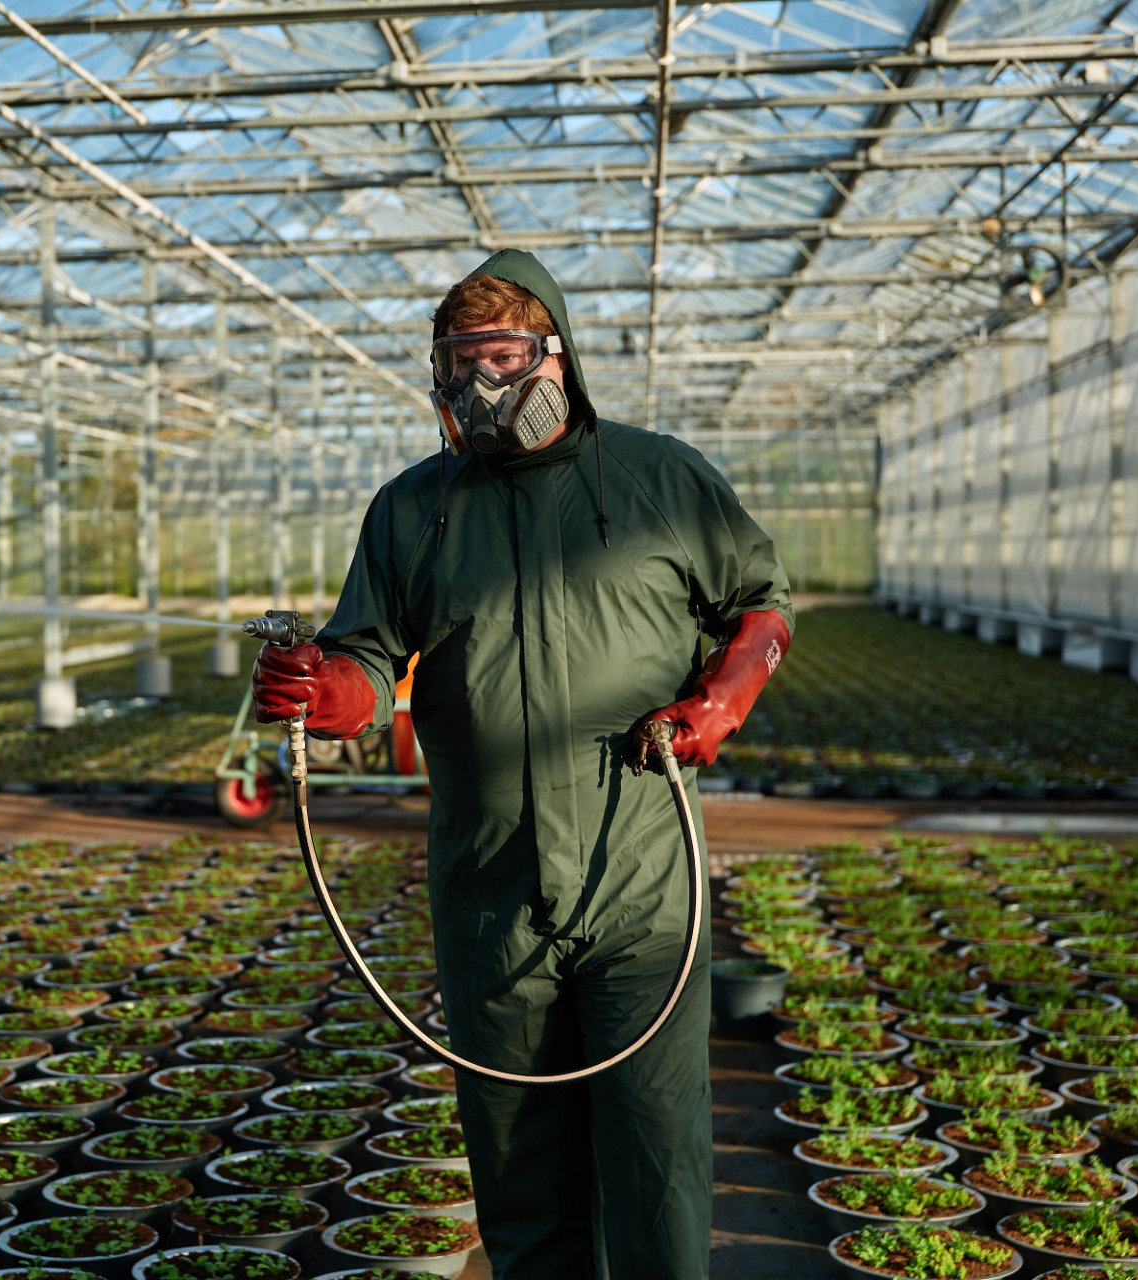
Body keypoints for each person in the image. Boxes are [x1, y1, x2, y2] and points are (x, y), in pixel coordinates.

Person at [250, 248, 793, 1280]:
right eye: (458, 365)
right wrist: (331, 696)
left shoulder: (657, 477)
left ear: (557, 358)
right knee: (516, 1164)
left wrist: (722, 700)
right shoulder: (414, 508)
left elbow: (762, 605)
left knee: (656, 1154)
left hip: (640, 880)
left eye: (499, 357)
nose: (478, 386)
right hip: (490, 887)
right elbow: (368, 652)